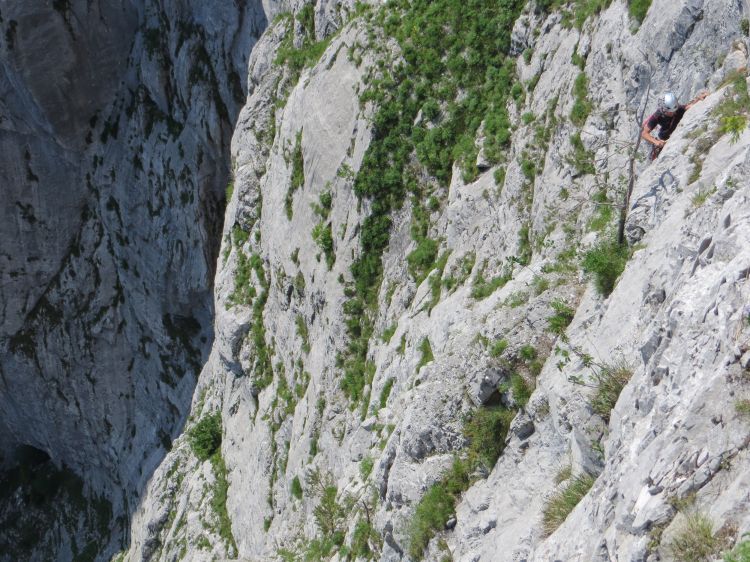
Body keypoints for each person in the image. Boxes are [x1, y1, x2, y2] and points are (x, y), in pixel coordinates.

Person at [641, 91, 709, 160]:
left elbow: (688, 106)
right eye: (670, 112)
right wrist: (656, 142)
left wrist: (699, 99)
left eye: (674, 111)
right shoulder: (657, 115)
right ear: (664, 109)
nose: (673, 113)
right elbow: (644, 133)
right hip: (664, 137)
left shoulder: (677, 109)